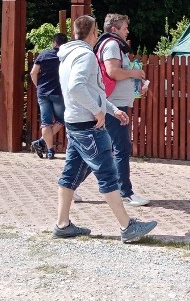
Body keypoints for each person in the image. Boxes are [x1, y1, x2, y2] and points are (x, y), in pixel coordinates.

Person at [53, 14, 157, 242]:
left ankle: (62, 224)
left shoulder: (67, 55)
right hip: (88, 125)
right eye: (96, 32)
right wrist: (98, 111)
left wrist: (110, 109)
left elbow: (93, 91)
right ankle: (127, 227)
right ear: (92, 33)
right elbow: (77, 87)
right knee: (108, 174)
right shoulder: (86, 56)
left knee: (70, 174)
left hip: (75, 122)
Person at [95, 12, 150, 206]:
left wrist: (136, 85)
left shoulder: (114, 46)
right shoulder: (111, 45)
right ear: (114, 29)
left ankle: (70, 185)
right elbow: (113, 72)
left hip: (116, 103)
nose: (128, 31)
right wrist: (134, 72)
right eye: (125, 28)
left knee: (101, 149)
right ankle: (125, 191)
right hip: (114, 105)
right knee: (121, 147)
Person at [29, 32, 67, 159]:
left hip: (43, 92)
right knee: (61, 120)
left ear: (54, 43)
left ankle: (49, 150)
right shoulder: (65, 56)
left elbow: (33, 72)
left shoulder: (43, 55)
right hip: (58, 92)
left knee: (46, 122)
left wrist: (37, 86)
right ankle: (41, 142)